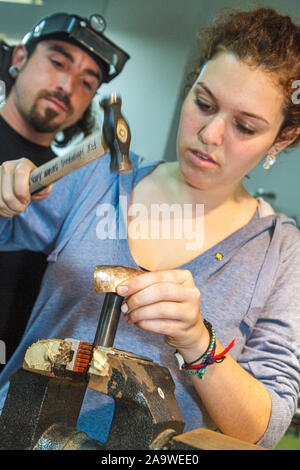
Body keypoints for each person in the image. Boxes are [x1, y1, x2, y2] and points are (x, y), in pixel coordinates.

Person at [0, 6, 299, 450]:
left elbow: (265, 429)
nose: (211, 134)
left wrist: (199, 342)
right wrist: (5, 190)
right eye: (203, 103)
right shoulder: (99, 178)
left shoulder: (279, 250)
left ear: (281, 138)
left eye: (245, 126)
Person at [0, 12, 129, 368]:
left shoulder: (75, 186)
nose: (68, 87)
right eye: (58, 62)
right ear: (20, 59)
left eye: (87, 83)